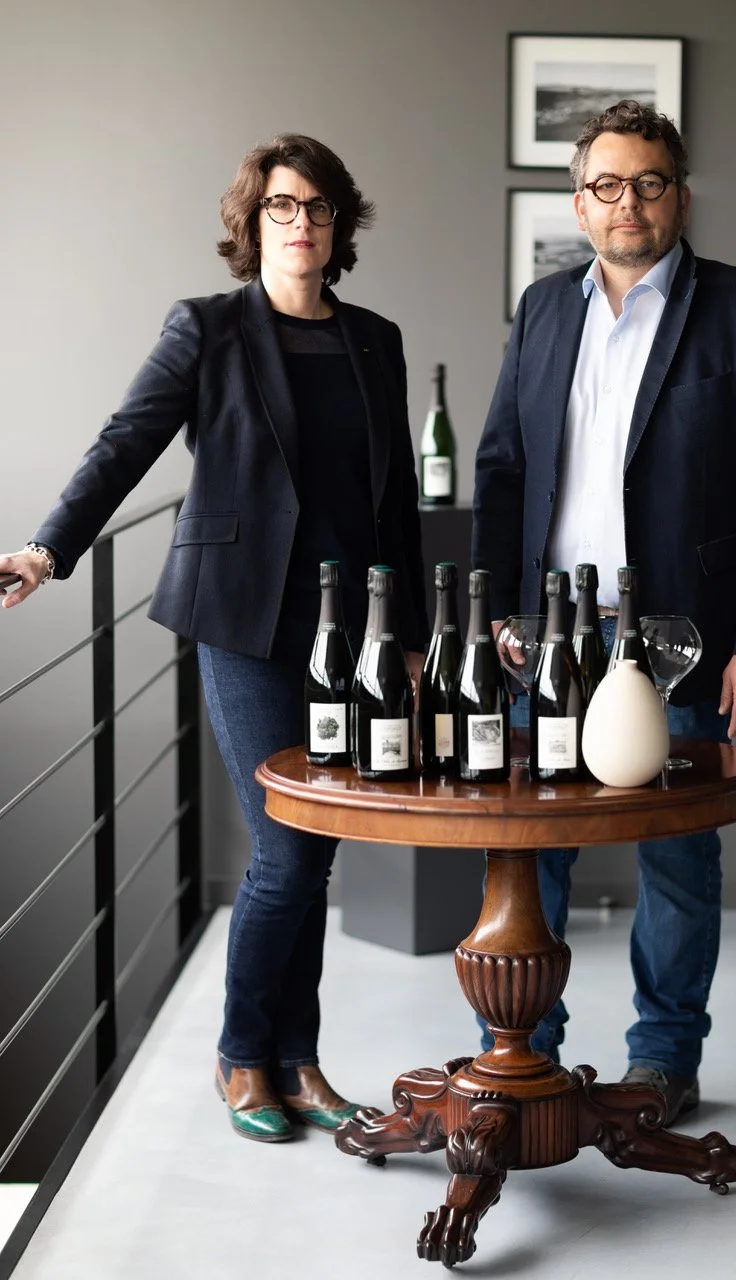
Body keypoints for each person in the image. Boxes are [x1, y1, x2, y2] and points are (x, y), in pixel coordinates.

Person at [0, 134, 428, 1143]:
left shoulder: (374, 339)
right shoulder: (207, 328)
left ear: (338, 224)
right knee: (286, 846)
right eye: (282, 205)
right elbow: (126, 441)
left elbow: (397, 498)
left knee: (316, 849)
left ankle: (299, 1061)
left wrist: (408, 636)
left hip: (348, 632)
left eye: (317, 207)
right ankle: (243, 1055)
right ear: (252, 220)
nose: (300, 223)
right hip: (242, 619)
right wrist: (47, 550)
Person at [472, 100, 736, 1124]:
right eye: (607, 184)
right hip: (545, 635)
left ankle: (662, 1060)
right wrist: (494, 613)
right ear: (579, 203)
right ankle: (523, 1051)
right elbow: (501, 469)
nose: (628, 202)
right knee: (529, 845)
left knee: (675, 851)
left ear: (679, 195)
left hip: (679, 637)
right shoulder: (544, 310)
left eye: (649, 182)